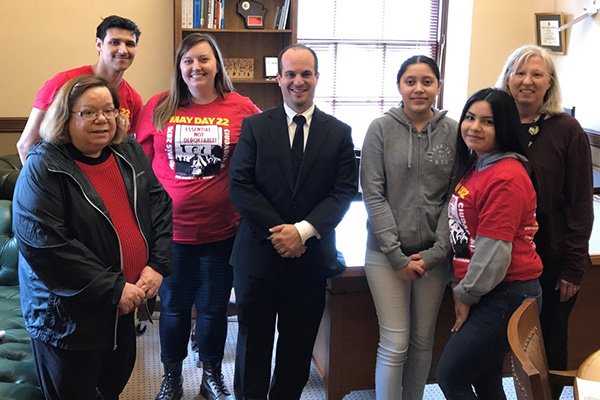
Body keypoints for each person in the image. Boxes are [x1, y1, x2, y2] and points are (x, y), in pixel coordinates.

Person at [12, 75, 172, 399]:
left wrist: (157, 264)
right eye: (88, 112)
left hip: (126, 306)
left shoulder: (127, 150)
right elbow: (47, 247)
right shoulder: (44, 168)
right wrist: (114, 288)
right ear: (65, 117)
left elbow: (159, 204)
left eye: (109, 110)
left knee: (112, 385)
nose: (102, 119)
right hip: (68, 320)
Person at [228, 44, 357, 399]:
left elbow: (343, 192)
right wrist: (281, 233)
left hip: (310, 260)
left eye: (305, 74)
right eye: (290, 74)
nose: (298, 81)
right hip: (257, 258)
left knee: (296, 351)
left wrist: (301, 232)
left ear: (317, 78)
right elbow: (240, 185)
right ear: (278, 79)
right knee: (252, 347)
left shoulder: (339, 132)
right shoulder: (255, 127)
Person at [136, 33, 260, 400]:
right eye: (188, 60)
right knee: (172, 310)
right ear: (179, 66)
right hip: (169, 235)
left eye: (203, 59)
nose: (196, 67)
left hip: (223, 233)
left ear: (217, 63)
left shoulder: (242, 108)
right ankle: (171, 376)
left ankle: (211, 375)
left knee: (213, 310)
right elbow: (138, 168)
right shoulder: (159, 107)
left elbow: (261, 160)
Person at [435, 88, 543, 398]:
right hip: (488, 288)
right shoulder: (479, 164)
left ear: (505, 127)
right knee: (484, 378)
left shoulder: (505, 176)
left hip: (507, 291)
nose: (474, 127)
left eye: (488, 121)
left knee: (450, 374)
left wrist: (466, 294)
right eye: (470, 117)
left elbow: (494, 251)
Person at [360, 55, 456, 400]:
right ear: (399, 86)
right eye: (410, 81)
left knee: (422, 340)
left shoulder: (453, 130)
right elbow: (373, 193)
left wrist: (435, 253)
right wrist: (397, 255)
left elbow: (454, 197)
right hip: (385, 255)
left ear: (438, 87)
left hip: (434, 254)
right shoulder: (380, 128)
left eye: (427, 81)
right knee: (396, 341)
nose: (418, 88)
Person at [496, 45, 594, 375]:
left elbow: (581, 204)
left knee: (549, 346)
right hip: (497, 257)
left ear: (549, 82)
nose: (527, 81)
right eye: (519, 72)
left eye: (537, 74)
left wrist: (572, 268)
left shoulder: (567, 130)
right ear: (507, 78)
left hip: (551, 261)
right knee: (491, 348)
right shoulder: (491, 125)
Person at [17, 15, 143, 164]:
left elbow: (125, 150)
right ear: (99, 44)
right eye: (114, 42)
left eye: (130, 44)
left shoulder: (134, 98)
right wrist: (37, 184)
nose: (123, 50)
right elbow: (26, 145)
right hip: (59, 177)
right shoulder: (62, 83)